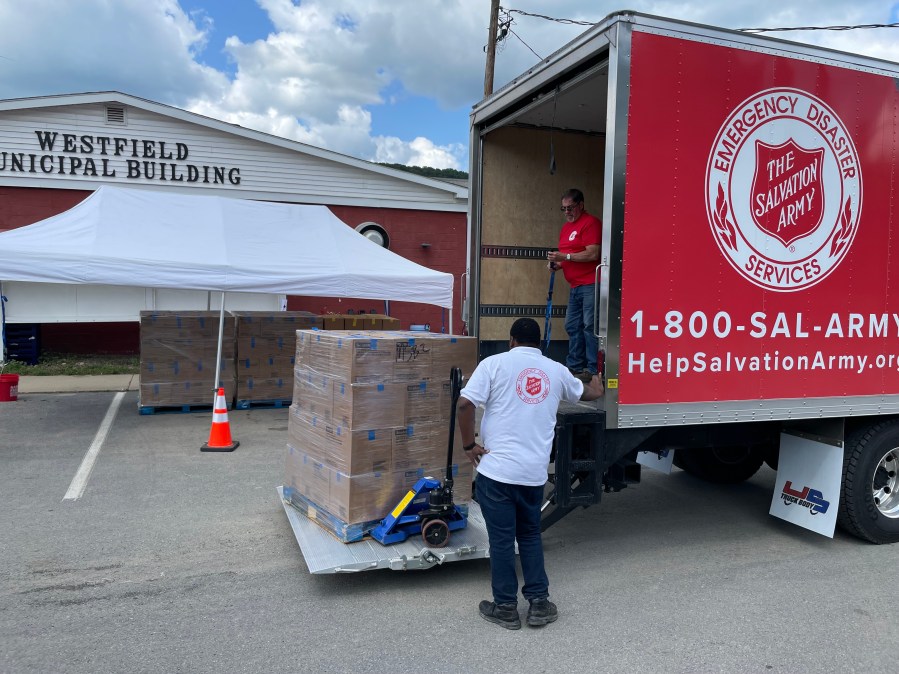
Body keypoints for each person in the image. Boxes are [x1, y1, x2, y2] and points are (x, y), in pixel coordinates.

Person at [456, 317, 604, 630]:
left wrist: (469, 445)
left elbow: (465, 404)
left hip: (497, 474)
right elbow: (587, 394)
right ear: (539, 343)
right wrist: (599, 385)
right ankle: (539, 603)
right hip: (533, 475)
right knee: (529, 537)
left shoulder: (493, 364)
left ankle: (506, 607)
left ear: (512, 341)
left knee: (501, 541)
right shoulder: (555, 370)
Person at [546, 188, 602, 379]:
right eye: (564, 209)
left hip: (590, 283)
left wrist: (565, 256)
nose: (567, 212)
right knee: (572, 325)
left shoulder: (590, 223)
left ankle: (593, 369)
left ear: (581, 205)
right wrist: (559, 264)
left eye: (570, 208)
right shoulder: (566, 228)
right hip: (575, 285)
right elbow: (569, 256)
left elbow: (593, 253)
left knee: (589, 326)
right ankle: (575, 366)